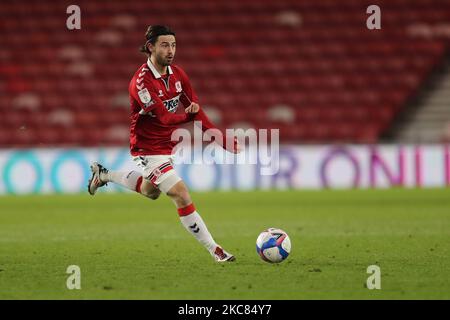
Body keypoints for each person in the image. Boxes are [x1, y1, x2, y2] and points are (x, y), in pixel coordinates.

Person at [88, 25, 239, 262]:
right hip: (145, 147)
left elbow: (196, 110)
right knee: (181, 193)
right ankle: (216, 250)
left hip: (166, 147)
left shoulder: (178, 75)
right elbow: (167, 118)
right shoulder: (141, 83)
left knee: (151, 192)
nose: (171, 50)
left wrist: (219, 138)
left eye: (174, 45)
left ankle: (104, 175)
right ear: (150, 47)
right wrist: (189, 116)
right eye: (165, 45)